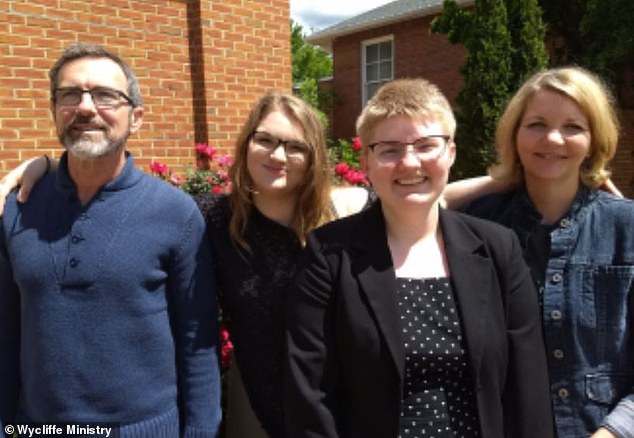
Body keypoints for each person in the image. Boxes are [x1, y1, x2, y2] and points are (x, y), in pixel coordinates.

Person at [0, 90, 371, 437]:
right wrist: (48, 166)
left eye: (295, 146)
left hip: (346, 405)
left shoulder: (344, 218)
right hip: (259, 406)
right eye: (266, 140)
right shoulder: (211, 218)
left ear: (314, 157)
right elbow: (134, 194)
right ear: (246, 145)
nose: (277, 155)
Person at [285, 78, 555, 438]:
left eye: (427, 145)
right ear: (366, 161)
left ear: (451, 154)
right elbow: (309, 394)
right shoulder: (329, 255)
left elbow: (528, 385)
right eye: (389, 150)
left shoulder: (498, 249)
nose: (409, 163)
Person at [0, 43, 221, 437]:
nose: (85, 107)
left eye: (105, 95)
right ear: (54, 111)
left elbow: (197, 344)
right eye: (70, 94)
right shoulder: (18, 209)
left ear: (135, 118)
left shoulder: (175, 213)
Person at [462, 66, 634, 438]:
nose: (552, 139)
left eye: (573, 127)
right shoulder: (476, 228)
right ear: (515, 133)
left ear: (594, 139)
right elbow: (411, 205)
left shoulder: (627, 228)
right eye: (536, 124)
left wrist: (611, 434)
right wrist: (502, 177)